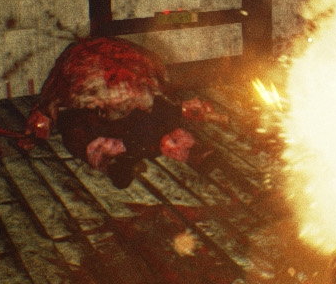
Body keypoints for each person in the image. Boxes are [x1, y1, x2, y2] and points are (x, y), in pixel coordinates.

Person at [25, 37, 222, 188]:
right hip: (109, 84)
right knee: (83, 132)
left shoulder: (156, 122)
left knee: (95, 133)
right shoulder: (157, 116)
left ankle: (113, 163)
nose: (170, 150)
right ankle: (111, 163)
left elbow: (165, 109)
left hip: (128, 93)